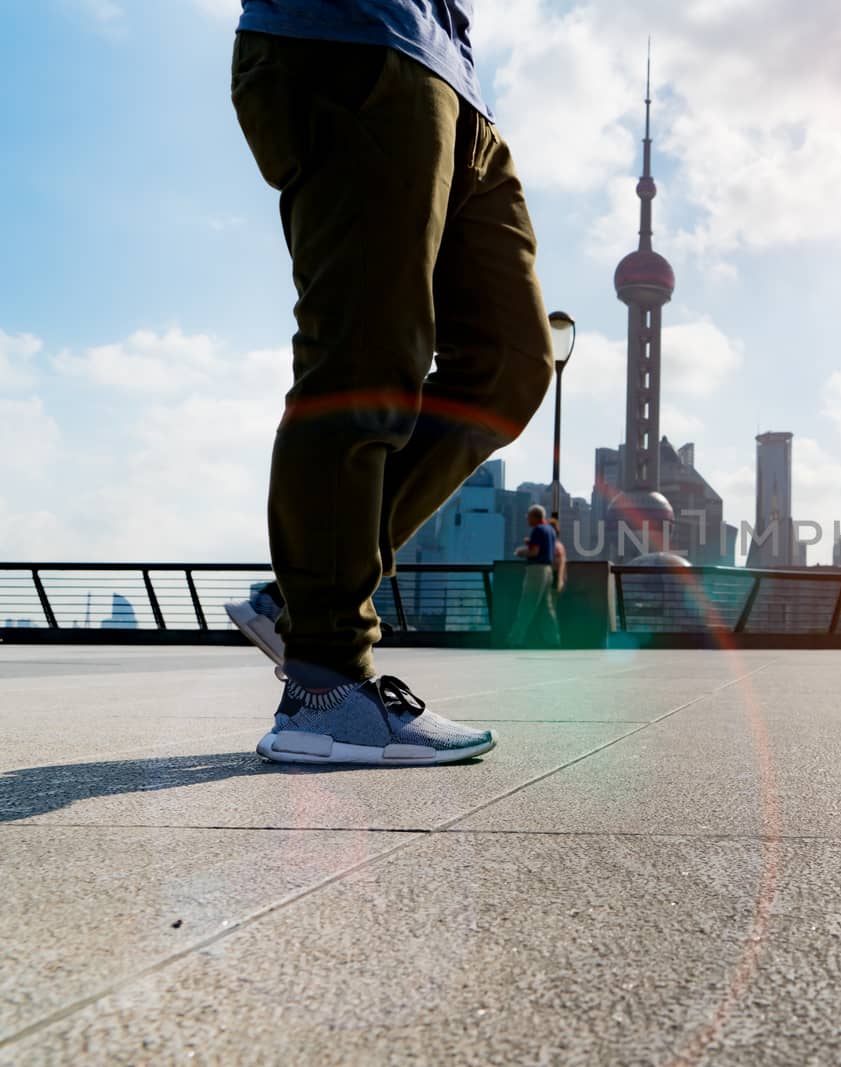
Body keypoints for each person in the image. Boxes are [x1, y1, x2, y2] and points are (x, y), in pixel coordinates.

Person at [223, 0, 554, 765]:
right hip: (352, 39)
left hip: (460, 84)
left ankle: (303, 598)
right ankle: (324, 683)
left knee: (511, 363)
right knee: (364, 357)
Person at [508, 506, 562, 648]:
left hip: (536, 571)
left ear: (534, 517)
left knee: (527, 604)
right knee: (546, 609)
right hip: (548, 570)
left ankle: (515, 640)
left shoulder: (538, 530)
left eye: (528, 516)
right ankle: (554, 641)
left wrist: (520, 552)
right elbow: (544, 548)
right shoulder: (549, 530)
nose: (527, 518)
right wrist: (531, 543)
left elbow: (534, 552)